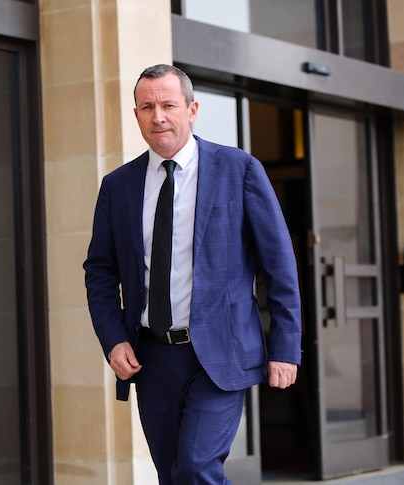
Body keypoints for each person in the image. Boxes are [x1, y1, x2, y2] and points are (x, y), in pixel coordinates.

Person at [83, 64, 302, 484]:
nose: (158, 116)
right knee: (172, 473)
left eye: (168, 105)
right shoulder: (118, 186)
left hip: (220, 353)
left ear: (192, 109)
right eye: (147, 107)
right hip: (152, 356)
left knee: (197, 467)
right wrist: (113, 340)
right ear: (136, 115)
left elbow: (279, 264)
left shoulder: (238, 170)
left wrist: (286, 346)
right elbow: (100, 273)